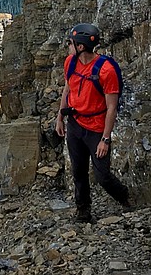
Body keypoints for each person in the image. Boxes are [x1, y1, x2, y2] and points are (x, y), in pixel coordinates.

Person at [54, 22, 130, 222]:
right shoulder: (70, 62)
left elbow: (112, 107)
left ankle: (125, 197)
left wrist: (105, 139)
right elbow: (67, 89)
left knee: (102, 176)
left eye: (70, 43)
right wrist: (60, 117)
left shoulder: (106, 70)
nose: (67, 46)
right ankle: (83, 211)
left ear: (80, 47)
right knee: (78, 171)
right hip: (75, 124)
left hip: (96, 129)